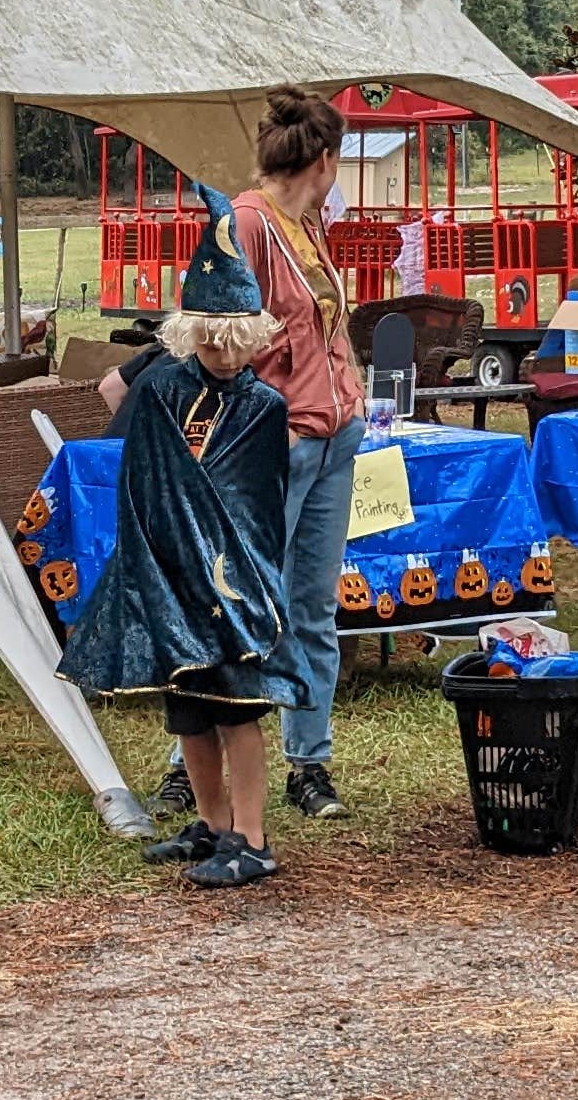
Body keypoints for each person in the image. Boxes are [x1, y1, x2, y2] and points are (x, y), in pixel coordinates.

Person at [65, 216, 296, 890]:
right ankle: (213, 824)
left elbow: (255, 505)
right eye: (211, 344)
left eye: (235, 346)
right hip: (168, 576)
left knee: (236, 706)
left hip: (229, 585)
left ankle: (251, 840)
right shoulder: (161, 390)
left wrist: (234, 575)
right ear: (189, 335)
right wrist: (153, 562)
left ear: (252, 339)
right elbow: (145, 481)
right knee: (187, 708)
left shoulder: (264, 408)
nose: (224, 358)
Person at [231, 90, 363, 824]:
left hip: (335, 439)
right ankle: (198, 764)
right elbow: (217, 336)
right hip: (280, 445)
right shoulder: (249, 224)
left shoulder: (308, 225)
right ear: (324, 159)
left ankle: (308, 763)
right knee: (245, 601)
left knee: (312, 606)